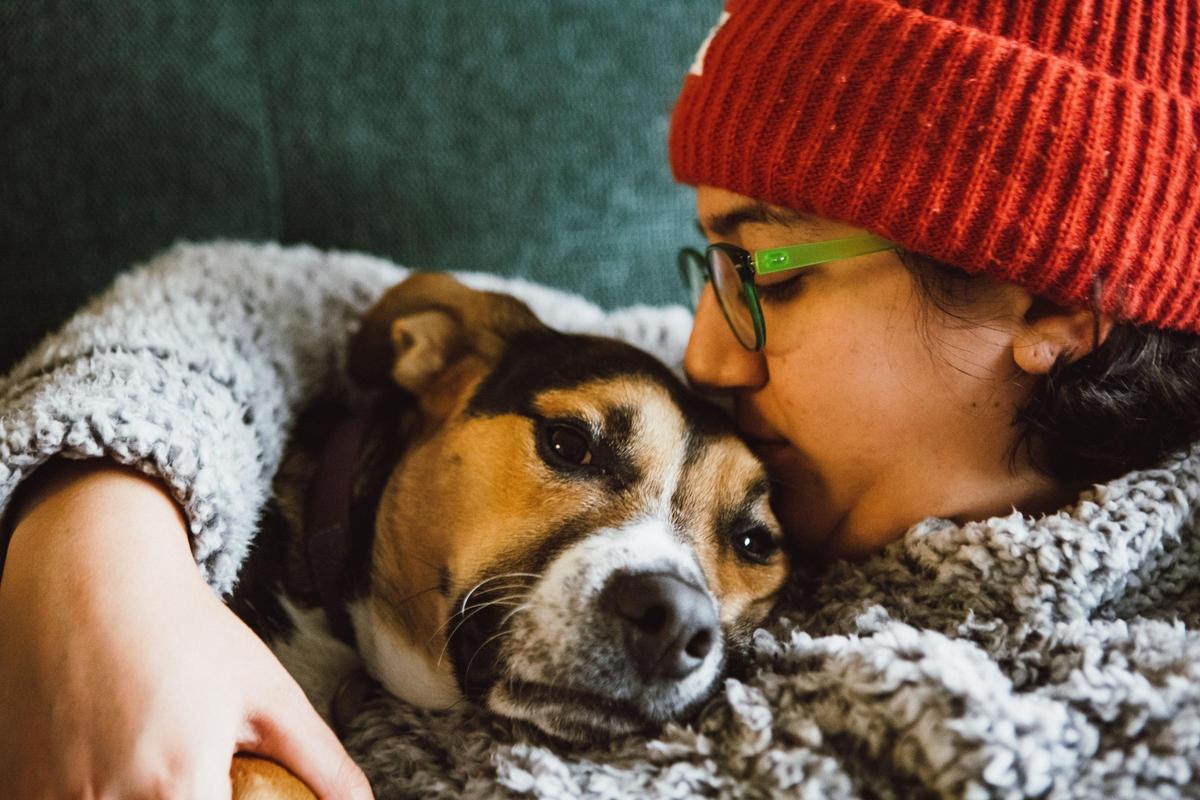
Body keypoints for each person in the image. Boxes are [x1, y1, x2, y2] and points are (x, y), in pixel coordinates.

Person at [2, 0, 1198, 796]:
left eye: (760, 270)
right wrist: (99, 542)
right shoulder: (736, 419)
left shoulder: (1147, 688)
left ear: (1048, 306)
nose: (704, 353)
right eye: (706, 266)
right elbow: (252, 294)